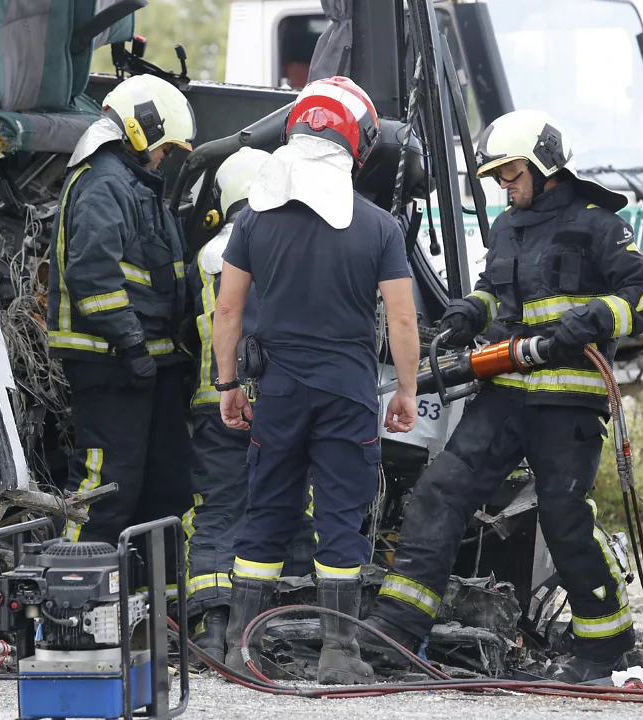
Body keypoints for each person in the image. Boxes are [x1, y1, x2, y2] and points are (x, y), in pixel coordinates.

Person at [359, 109, 643, 683]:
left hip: (567, 401)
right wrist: (464, 312)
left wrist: (592, 320)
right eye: (497, 176)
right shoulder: (506, 227)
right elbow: (496, 296)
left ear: (546, 165)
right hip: (504, 393)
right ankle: (395, 633)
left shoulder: (597, 223)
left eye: (512, 172)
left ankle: (606, 646)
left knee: (563, 516)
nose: (505, 185)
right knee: (439, 493)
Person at [210, 76, 421, 685]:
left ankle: (238, 651)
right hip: (348, 393)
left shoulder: (253, 220)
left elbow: (228, 311)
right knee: (340, 517)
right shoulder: (379, 227)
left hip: (276, 391)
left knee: (265, 513)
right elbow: (402, 318)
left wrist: (228, 384)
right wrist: (405, 390)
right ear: (357, 142)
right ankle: (339, 654)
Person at [46, 74, 197, 556]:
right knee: (106, 486)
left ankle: (160, 605)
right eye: (166, 148)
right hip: (109, 360)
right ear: (143, 128)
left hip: (147, 360)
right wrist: (130, 343)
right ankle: (68, 590)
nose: (165, 159)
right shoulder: (104, 182)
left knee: (166, 486)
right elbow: (92, 274)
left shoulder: (132, 183)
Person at [180, 147, 317, 662]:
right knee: (291, 511)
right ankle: (296, 627)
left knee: (218, 515)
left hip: (215, 404)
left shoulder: (209, 255)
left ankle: (209, 633)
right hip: (281, 406)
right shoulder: (294, 248)